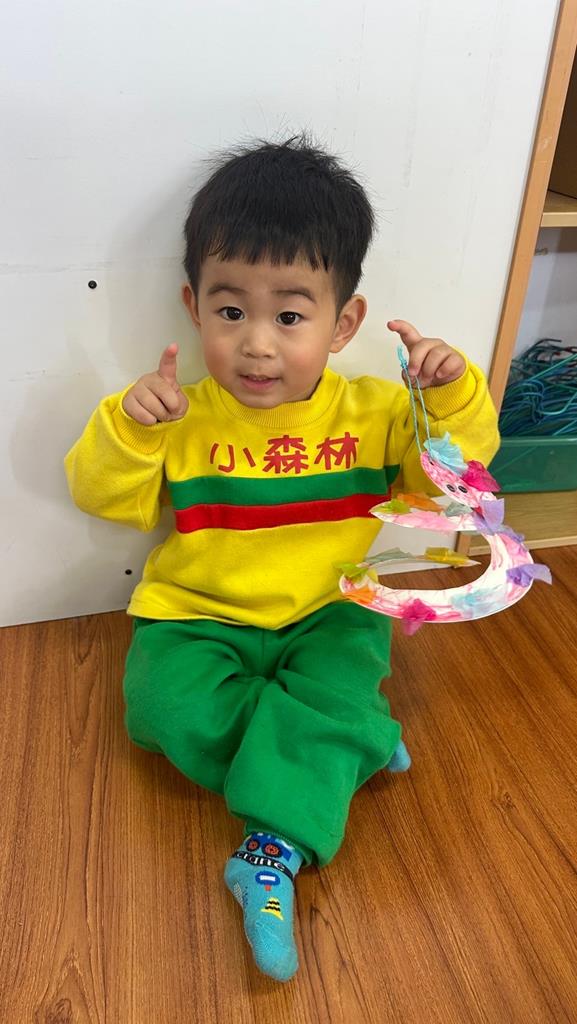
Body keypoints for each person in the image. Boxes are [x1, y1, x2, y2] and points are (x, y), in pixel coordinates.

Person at [65, 135, 499, 982]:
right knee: (155, 710)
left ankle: (269, 851)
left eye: (289, 317)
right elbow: (101, 496)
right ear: (194, 308)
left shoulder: (376, 412)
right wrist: (128, 429)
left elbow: (451, 489)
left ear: (344, 324)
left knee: (342, 672)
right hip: (194, 617)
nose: (257, 345)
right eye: (231, 313)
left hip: (328, 611)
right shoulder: (178, 413)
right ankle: (344, 743)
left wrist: (448, 397)